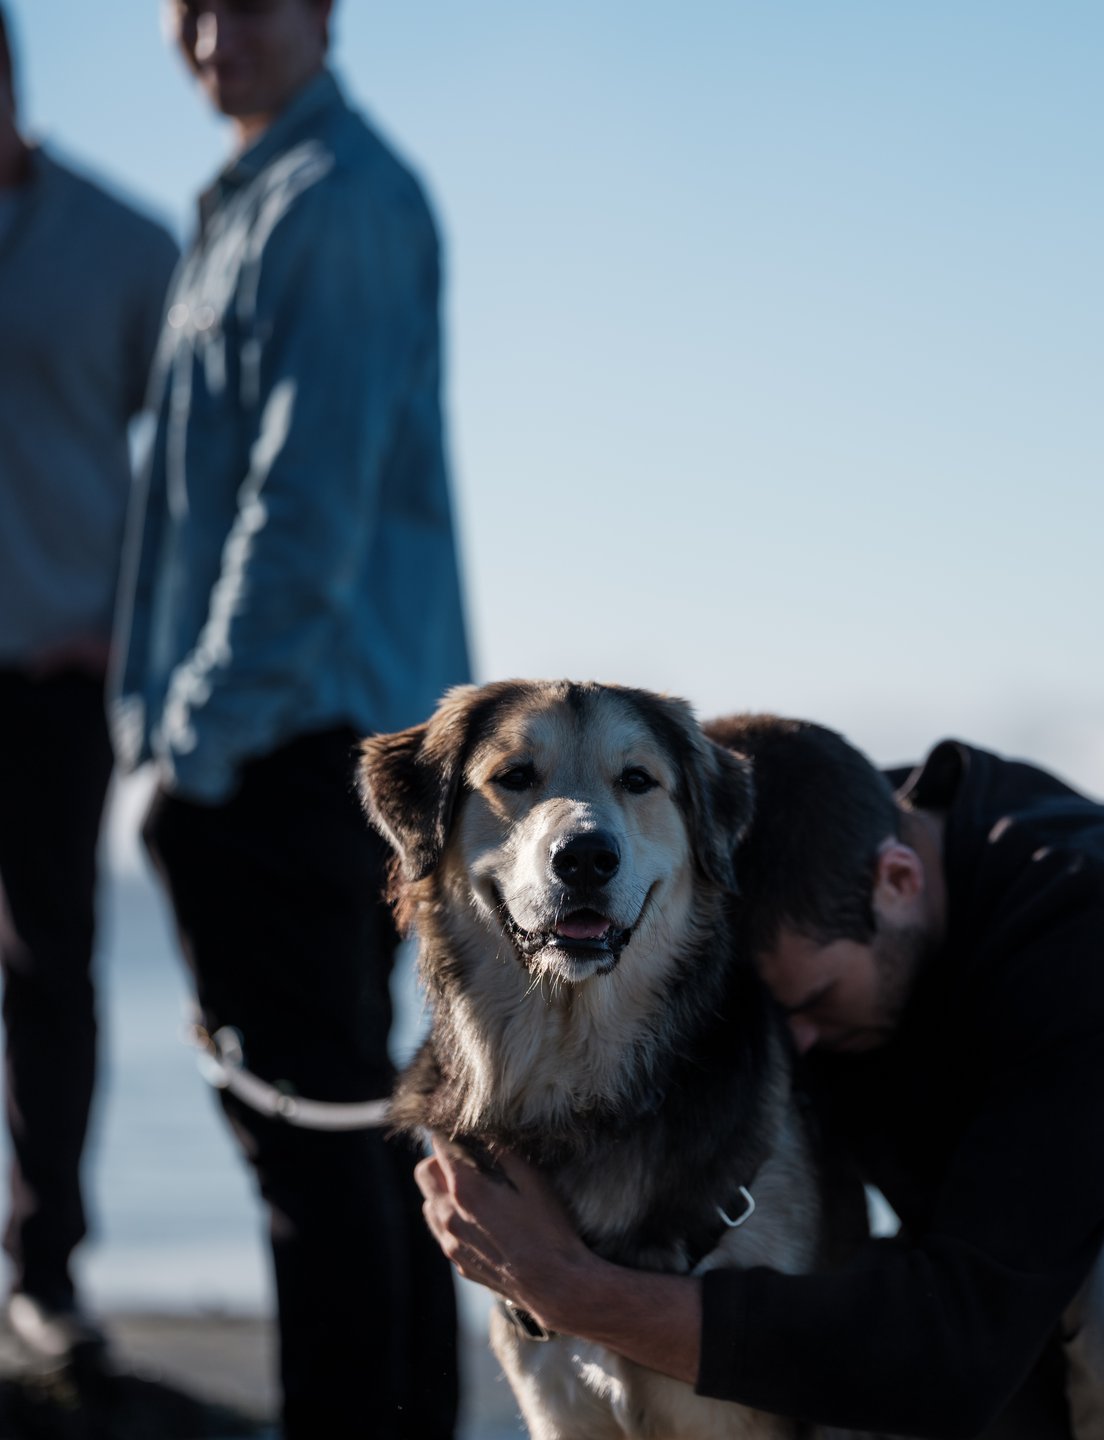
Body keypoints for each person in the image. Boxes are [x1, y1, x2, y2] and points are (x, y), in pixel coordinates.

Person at [419, 717, 1104, 1439]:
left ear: (897, 882)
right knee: (845, 1355)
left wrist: (570, 1290)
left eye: (812, 1004)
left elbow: (959, 1341)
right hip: (1026, 1327)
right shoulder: (784, 847)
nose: (795, 1052)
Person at [112, 1, 469, 1433]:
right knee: (345, 1140)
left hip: (299, 746)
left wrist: (191, 749)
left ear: (325, 12)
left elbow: (300, 513)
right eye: (187, 4)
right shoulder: (254, 201)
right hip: (289, 740)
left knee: (313, 1152)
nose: (214, 32)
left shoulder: (341, 205)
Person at [0, 0, 180, 1366]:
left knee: (49, 977)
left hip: (56, 681)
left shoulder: (126, 249)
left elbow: (192, 475)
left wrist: (128, 641)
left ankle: (45, 1271)